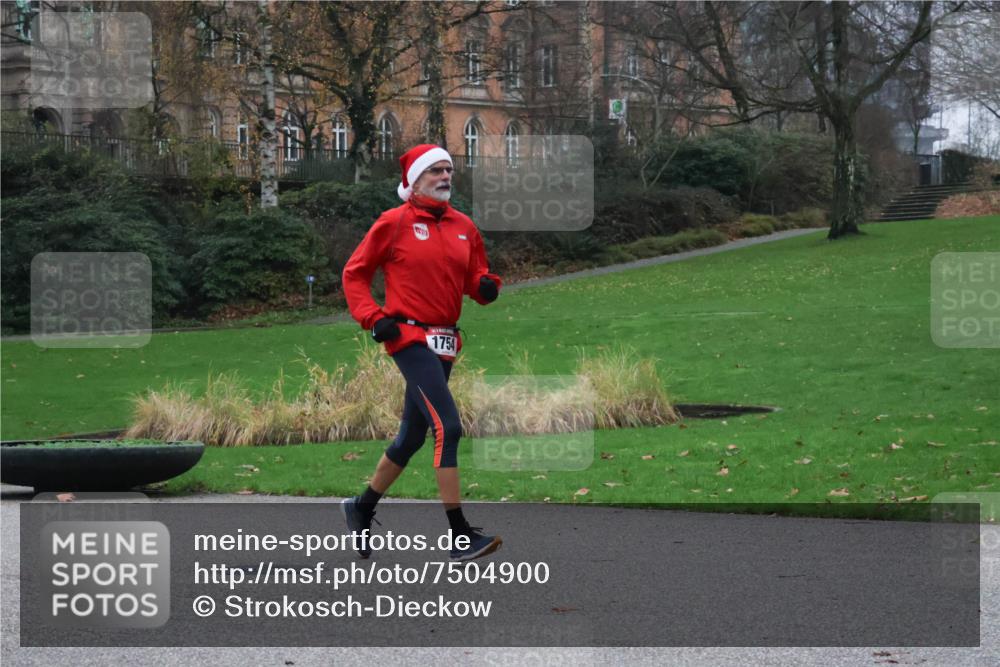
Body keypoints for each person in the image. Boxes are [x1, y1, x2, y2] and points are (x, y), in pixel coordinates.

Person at [340, 144, 503, 562]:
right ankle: (460, 534)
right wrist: (373, 318)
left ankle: (361, 507)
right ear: (415, 180)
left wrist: (486, 286)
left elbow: (476, 278)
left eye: (449, 169)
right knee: (448, 426)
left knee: (412, 435)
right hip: (409, 339)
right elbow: (354, 274)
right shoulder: (393, 223)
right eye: (435, 171)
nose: (446, 176)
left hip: (445, 342)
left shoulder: (464, 226)